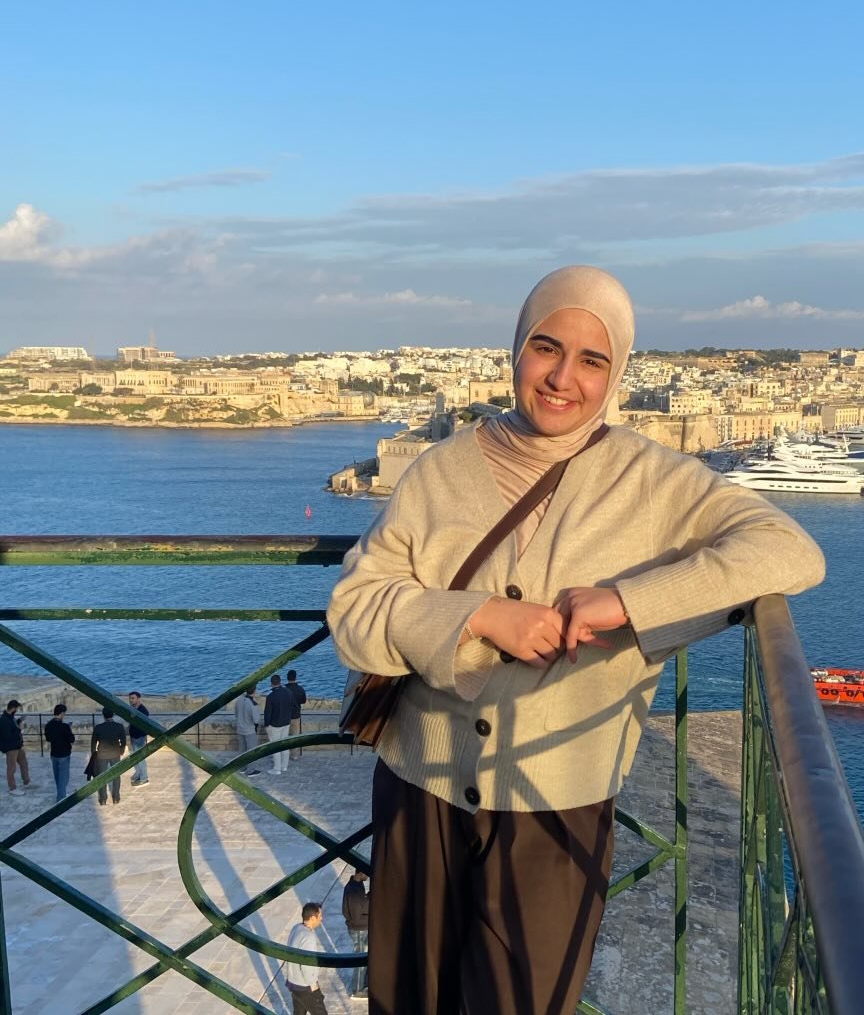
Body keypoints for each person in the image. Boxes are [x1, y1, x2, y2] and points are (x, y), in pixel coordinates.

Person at [327, 266, 826, 1015]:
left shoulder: (654, 482)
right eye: (546, 348)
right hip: (419, 783)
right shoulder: (439, 471)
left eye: (592, 360)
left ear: (616, 374)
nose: (563, 378)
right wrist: (478, 618)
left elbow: (791, 553)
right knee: (406, 1000)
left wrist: (628, 601)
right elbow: (354, 611)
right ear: (516, 351)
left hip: (556, 804)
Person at [282, 902, 329, 1015]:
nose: (321, 918)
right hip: (304, 986)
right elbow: (307, 964)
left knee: (299, 1012)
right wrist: (313, 984)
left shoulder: (296, 928)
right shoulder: (308, 937)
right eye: (319, 916)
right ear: (312, 918)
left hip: (294, 982)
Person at [341, 867, 370, 999]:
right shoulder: (353, 891)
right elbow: (357, 917)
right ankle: (357, 990)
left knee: (363, 957)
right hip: (359, 930)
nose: (368, 876)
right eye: (366, 873)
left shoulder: (357, 884)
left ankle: (363, 983)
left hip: (360, 928)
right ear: (360, 873)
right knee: (360, 960)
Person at [90, 708, 127, 805]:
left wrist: (93, 753)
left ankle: (103, 799)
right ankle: (116, 797)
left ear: (103, 715)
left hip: (102, 754)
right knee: (116, 776)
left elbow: (93, 742)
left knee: (102, 776)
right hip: (115, 753)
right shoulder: (119, 726)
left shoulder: (98, 727)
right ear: (113, 715)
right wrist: (121, 750)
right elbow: (123, 741)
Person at [44, 704, 76, 802]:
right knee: (64, 777)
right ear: (61, 713)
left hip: (54, 753)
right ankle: (61, 798)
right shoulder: (64, 727)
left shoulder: (48, 725)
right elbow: (72, 739)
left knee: (57, 776)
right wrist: (69, 729)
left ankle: (61, 793)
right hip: (64, 754)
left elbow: (48, 738)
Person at [263, 675, 293, 774]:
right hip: (286, 722)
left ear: (271, 684)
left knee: (275, 746)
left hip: (275, 725)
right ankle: (284, 766)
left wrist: (266, 724)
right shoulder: (288, 692)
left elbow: (267, 713)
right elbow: (292, 706)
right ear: (280, 681)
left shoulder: (271, 696)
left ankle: (277, 768)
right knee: (284, 745)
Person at [1, 700, 31, 795]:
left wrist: (19, 721)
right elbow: (8, 735)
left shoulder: (11, 717)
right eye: (16, 708)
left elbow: (12, 727)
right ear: (13, 708)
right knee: (11, 768)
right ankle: (12, 788)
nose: (17, 710)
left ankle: (26, 782)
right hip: (11, 747)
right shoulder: (4, 720)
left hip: (17, 746)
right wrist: (19, 729)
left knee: (24, 763)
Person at [234, 684, 262, 776]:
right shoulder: (253, 704)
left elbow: (236, 714)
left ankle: (242, 767)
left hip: (240, 728)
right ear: (254, 691)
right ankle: (250, 770)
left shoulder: (239, 700)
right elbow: (256, 720)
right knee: (251, 751)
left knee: (242, 749)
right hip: (249, 730)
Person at [126, 690, 151, 786]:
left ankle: (144, 778)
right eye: (130, 698)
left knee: (140, 758)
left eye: (133, 698)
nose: (131, 700)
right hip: (133, 736)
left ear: (138, 699)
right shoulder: (132, 709)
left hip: (140, 737)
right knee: (135, 757)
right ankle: (138, 774)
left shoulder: (143, 711)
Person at [285, 669, 307, 760]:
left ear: (287, 678)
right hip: (296, 715)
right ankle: (294, 755)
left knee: (284, 736)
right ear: (295, 678)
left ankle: (284, 754)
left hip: (285, 716)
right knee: (295, 736)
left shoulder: (284, 690)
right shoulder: (300, 689)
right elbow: (303, 701)